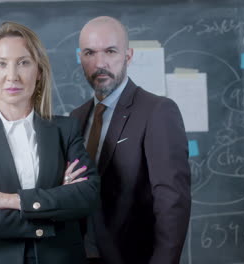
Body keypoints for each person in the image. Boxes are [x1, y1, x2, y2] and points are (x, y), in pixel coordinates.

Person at [0, 21, 101, 264]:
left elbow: (86, 197)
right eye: (2, 64)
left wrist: (3, 200)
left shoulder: (66, 129)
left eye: (23, 62)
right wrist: (56, 202)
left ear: (38, 72)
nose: (12, 76)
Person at [70, 16, 191, 264]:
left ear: (128, 55)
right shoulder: (76, 117)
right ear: (80, 57)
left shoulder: (157, 111)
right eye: (90, 53)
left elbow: (172, 203)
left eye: (110, 51)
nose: (99, 63)